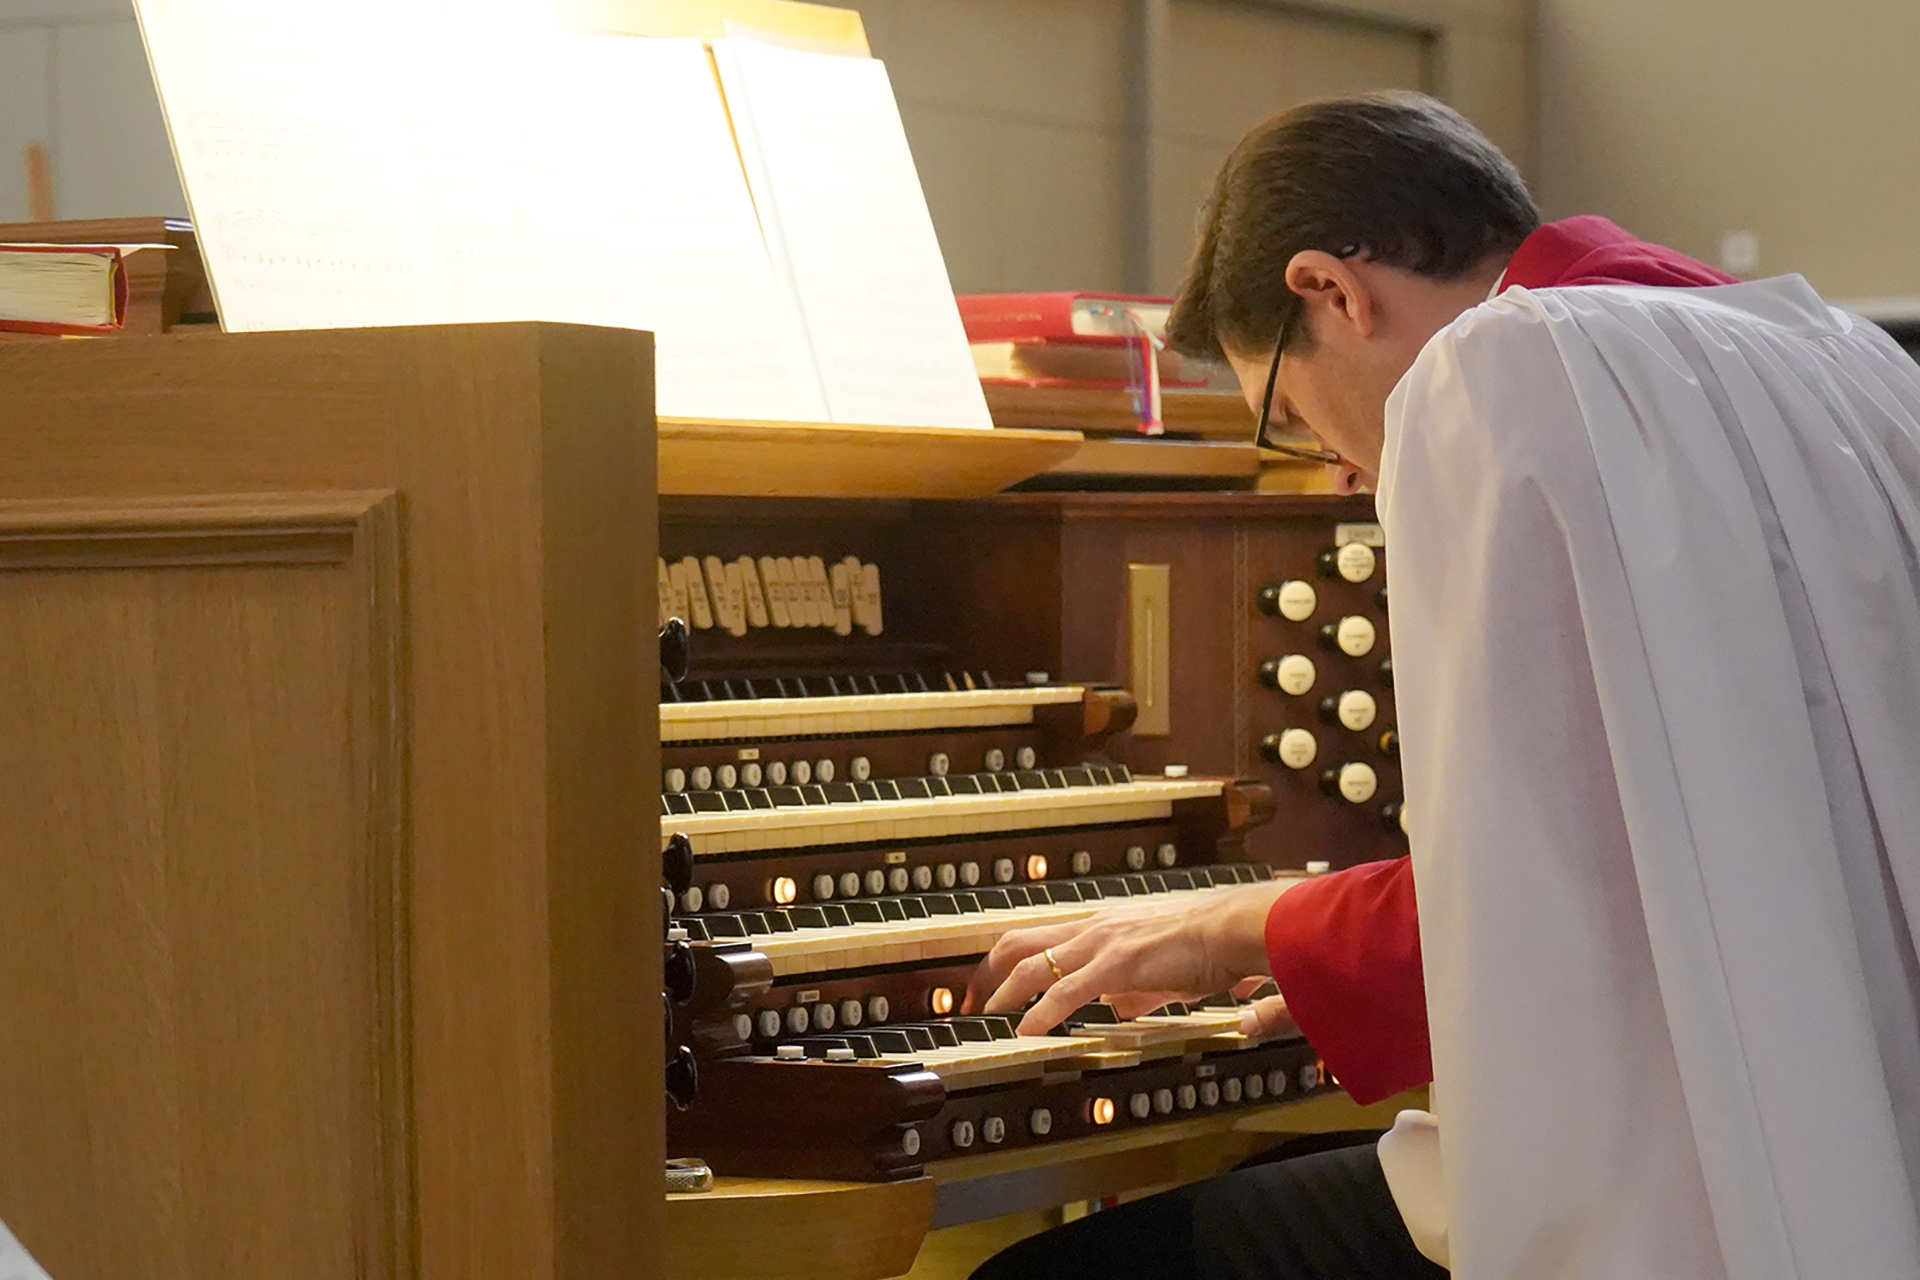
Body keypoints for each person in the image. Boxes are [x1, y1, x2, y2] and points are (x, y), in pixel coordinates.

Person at [967, 92, 1920, 1280]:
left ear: (1332, 290)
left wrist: (1242, 920)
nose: (1338, 473)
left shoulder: (1504, 370)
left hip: (1701, 1187)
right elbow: (1690, 834)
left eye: (1287, 415)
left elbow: (1559, 884)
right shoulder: (1829, 352)